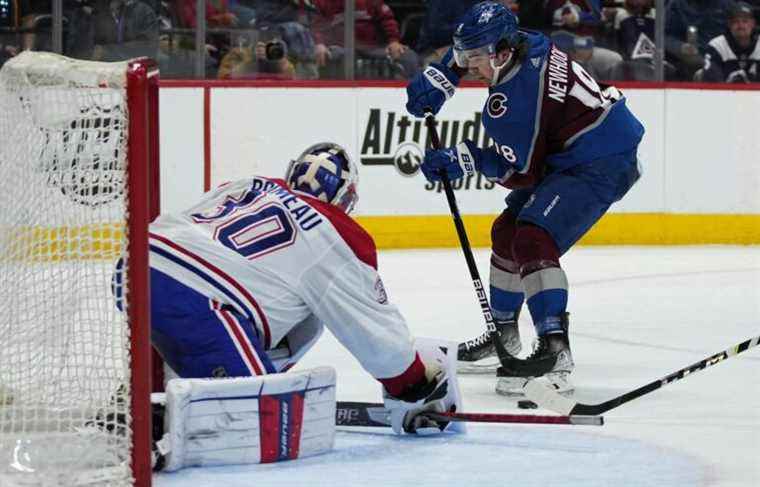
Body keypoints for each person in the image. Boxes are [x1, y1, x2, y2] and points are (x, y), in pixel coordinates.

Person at [139, 142, 460, 446]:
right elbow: (376, 338)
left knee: (307, 318)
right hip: (196, 302)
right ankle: (161, 434)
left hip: (139, 263)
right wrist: (414, 383)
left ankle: (153, 384)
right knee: (265, 427)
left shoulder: (251, 183)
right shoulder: (333, 231)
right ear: (346, 197)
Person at [404, 1, 644, 395]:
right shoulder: (524, 43)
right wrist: (444, 73)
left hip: (600, 160)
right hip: (573, 148)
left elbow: (522, 174)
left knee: (533, 236)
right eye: (465, 57)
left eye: (474, 60)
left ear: (500, 54)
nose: (470, 66)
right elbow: (478, 44)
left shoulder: (516, 104)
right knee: (506, 232)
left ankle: (555, 350)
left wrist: (465, 158)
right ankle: (505, 337)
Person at [701, 2, 760, 83]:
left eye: (745, 21)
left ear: (753, 24)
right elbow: (713, 85)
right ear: (729, 24)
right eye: (736, 21)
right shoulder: (717, 46)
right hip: (723, 95)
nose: (741, 26)